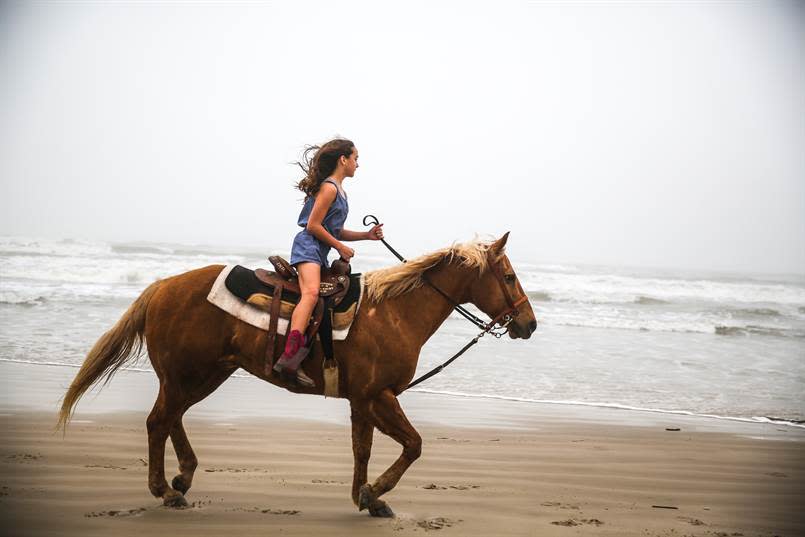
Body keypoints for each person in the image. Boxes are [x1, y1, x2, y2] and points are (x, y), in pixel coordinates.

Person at [273, 138, 384, 386]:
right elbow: (313, 226)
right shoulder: (330, 188)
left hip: (320, 249)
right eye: (355, 158)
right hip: (308, 246)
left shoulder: (341, 191)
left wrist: (366, 236)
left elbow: (335, 230)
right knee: (311, 293)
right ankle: (290, 357)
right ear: (343, 160)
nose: (358, 164)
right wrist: (339, 247)